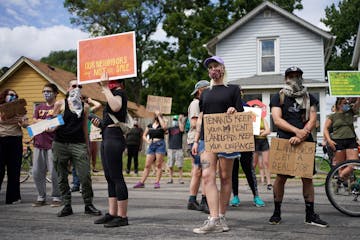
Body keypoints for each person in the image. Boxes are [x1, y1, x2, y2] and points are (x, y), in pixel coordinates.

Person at [269, 66, 328, 227]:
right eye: (291, 76)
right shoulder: (278, 97)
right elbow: (277, 120)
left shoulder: (310, 97)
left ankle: (310, 215)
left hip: (306, 142)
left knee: (307, 178)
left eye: (297, 75)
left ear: (301, 77)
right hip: (285, 142)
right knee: (281, 178)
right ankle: (276, 213)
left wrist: (303, 135)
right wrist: (297, 132)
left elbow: (313, 119)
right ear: (285, 78)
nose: (294, 78)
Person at [192, 56, 243, 234]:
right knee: (207, 176)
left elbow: (241, 115)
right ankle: (212, 218)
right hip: (207, 140)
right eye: (210, 67)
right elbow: (202, 118)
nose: (213, 69)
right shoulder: (205, 93)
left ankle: (221, 216)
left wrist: (233, 111)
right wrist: (197, 140)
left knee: (225, 177)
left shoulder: (234, 90)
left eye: (216, 66)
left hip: (228, 138)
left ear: (223, 68)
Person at [52, 80, 101, 217]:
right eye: (74, 86)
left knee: (85, 175)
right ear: (68, 88)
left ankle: (88, 204)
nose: (77, 88)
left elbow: (85, 127)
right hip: (60, 143)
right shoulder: (60, 104)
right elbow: (52, 125)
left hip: (78, 144)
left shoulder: (84, 107)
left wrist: (87, 146)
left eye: (80, 86)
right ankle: (67, 205)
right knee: (62, 176)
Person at [92, 72, 129, 227]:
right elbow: (110, 118)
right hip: (107, 134)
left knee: (116, 176)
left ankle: (122, 217)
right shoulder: (112, 93)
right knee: (109, 176)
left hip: (114, 137)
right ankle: (112, 213)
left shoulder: (119, 92)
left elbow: (116, 106)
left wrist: (105, 87)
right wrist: (99, 123)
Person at [230, 96, 265, 208]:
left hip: (246, 144)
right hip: (232, 144)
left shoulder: (248, 108)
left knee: (249, 170)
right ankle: (235, 196)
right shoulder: (228, 107)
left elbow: (254, 127)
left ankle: (256, 196)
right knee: (233, 171)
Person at [31, 83, 62, 207]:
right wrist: (46, 122)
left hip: (53, 144)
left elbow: (57, 124)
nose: (45, 93)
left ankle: (56, 197)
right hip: (38, 144)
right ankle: (41, 197)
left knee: (54, 173)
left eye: (48, 91)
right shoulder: (39, 107)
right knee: (37, 172)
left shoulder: (59, 106)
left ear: (55, 93)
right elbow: (34, 120)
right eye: (44, 91)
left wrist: (41, 122)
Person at [0, 89, 28, 204]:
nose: (13, 96)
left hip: (15, 139)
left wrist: (21, 121)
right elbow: (2, 121)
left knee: (15, 170)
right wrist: (8, 120)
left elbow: (26, 124)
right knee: (0, 170)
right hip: (1, 139)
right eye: (10, 95)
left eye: (15, 95)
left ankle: (13, 197)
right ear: (4, 96)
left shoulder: (20, 109)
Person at [323, 97, 360, 181]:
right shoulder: (332, 116)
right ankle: (344, 183)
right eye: (344, 103)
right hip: (338, 141)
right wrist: (329, 140)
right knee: (341, 166)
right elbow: (325, 128)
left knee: (353, 163)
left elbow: (357, 104)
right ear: (339, 105)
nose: (347, 105)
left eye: (347, 103)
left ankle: (340, 178)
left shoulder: (351, 112)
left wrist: (358, 96)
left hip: (351, 140)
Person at [187, 80, 210, 213]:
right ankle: (202, 200)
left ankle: (195, 200)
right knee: (201, 170)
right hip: (196, 140)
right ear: (200, 91)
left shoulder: (201, 103)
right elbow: (194, 123)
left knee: (200, 171)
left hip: (199, 140)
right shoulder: (196, 103)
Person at [133, 111, 167, 189]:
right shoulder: (150, 125)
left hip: (160, 144)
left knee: (158, 165)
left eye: (158, 115)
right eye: (156, 115)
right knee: (147, 165)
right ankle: (141, 182)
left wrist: (159, 116)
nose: (157, 116)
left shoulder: (162, 125)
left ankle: (157, 182)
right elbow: (144, 135)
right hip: (151, 145)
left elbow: (164, 128)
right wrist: (147, 141)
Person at [252, 104, 272, 190]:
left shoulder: (263, 119)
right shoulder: (251, 120)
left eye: (258, 109)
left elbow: (268, 130)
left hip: (264, 142)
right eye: (255, 109)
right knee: (254, 164)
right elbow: (251, 132)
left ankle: (269, 182)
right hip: (255, 142)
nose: (257, 111)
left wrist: (260, 132)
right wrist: (261, 131)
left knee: (266, 162)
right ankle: (253, 182)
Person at [167, 115, 185, 184]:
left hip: (179, 149)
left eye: (175, 120)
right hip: (171, 148)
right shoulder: (170, 128)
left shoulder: (180, 128)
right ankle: (170, 178)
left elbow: (182, 129)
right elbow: (165, 130)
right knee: (170, 165)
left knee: (180, 165)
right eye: (174, 120)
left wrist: (180, 120)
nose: (175, 121)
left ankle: (180, 178)